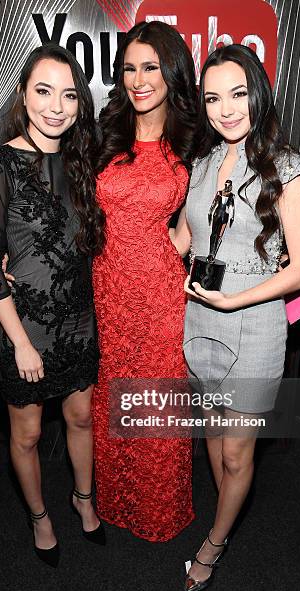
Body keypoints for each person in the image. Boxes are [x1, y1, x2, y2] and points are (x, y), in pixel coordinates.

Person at [170, 44, 300, 591]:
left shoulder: (287, 169)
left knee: (238, 449)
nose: (226, 109)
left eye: (237, 94)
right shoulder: (203, 165)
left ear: (257, 94)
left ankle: (214, 542)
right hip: (200, 323)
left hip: (254, 328)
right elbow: (184, 241)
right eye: (213, 98)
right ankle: (224, 510)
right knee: (212, 436)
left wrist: (238, 298)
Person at [0, 43, 106, 567]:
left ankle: (83, 499)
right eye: (43, 91)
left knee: (80, 419)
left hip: (77, 321)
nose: (56, 106)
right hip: (22, 327)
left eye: (69, 94)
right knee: (26, 435)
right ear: (24, 97)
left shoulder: (81, 160)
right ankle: (38, 516)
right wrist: (23, 345)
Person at [92, 21, 198, 542]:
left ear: (172, 72)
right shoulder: (105, 132)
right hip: (108, 289)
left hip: (160, 294)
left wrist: (167, 260)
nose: (138, 79)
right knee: (115, 395)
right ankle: (115, 502)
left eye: (150, 67)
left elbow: (197, 221)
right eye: (129, 67)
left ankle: (157, 513)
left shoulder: (192, 142)